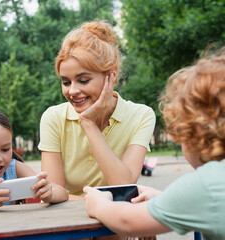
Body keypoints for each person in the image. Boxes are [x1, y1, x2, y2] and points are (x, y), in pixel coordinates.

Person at [83, 50, 225, 239]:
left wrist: (99, 204)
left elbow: (128, 222)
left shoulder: (208, 184)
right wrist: (164, 199)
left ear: (197, 130)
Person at [38, 20, 156, 199]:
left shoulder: (141, 115)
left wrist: (88, 123)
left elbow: (124, 187)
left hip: (118, 220)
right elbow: (54, 193)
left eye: (83, 80)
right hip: (67, 219)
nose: (72, 91)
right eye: (66, 82)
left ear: (111, 76)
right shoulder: (53, 118)